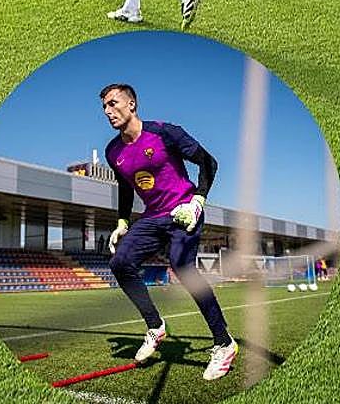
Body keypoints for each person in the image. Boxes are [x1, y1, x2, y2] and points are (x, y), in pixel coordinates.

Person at [101, 83, 238, 381]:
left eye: (114, 104)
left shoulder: (165, 132)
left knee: (182, 266)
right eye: (104, 107)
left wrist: (198, 200)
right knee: (120, 263)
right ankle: (155, 326)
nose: (108, 112)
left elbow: (208, 162)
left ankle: (224, 343)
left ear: (132, 104)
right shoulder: (113, 151)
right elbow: (126, 187)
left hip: (183, 209)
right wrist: (122, 222)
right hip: (152, 217)